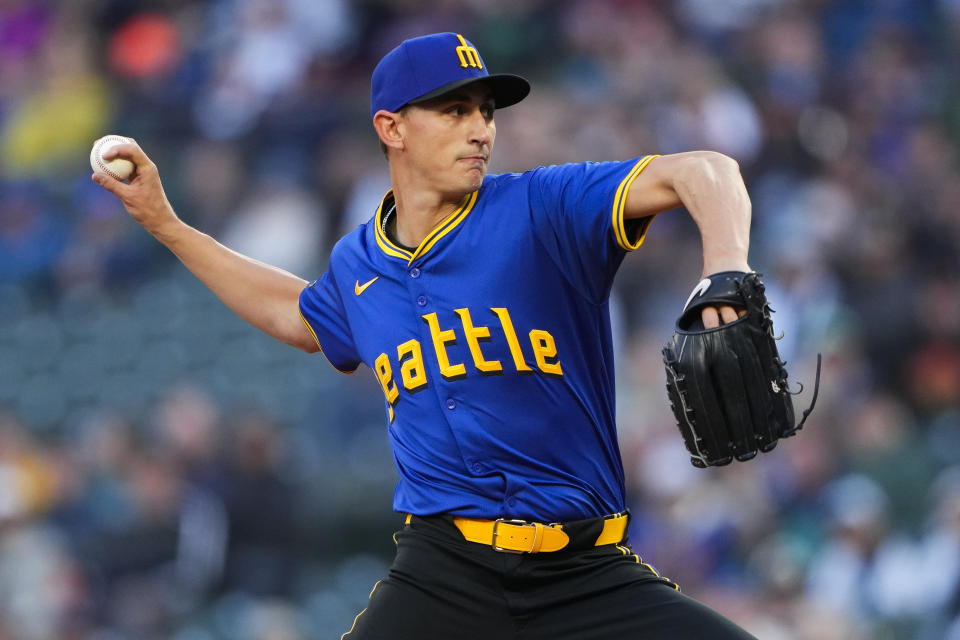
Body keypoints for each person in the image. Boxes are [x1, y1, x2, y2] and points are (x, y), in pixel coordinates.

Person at [93, 32, 757, 640]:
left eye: (486, 112)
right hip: (444, 573)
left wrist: (726, 267)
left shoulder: (542, 208)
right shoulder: (359, 264)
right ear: (392, 127)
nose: (480, 131)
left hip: (584, 570)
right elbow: (298, 317)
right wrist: (167, 224)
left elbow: (705, 171)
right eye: (454, 110)